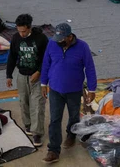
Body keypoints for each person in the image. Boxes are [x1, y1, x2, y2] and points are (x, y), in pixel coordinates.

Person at [41, 23, 96, 164]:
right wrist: (43, 83)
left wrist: (92, 89)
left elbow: (89, 68)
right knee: (54, 119)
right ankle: (53, 150)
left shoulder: (83, 47)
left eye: (61, 39)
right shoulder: (52, 44)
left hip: (74, 91)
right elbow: (46, 63)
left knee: (73, 116)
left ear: (70, 37)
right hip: (55, 90)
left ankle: (71, 134)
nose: (58, 42)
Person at [6, 13, 48, 147]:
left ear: (29, 28)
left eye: (24, 31)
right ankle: (28, 125)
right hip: (22, 75)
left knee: (37, 104)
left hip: (37, 77)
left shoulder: (41, 39)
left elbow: (47, 59)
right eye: (19, 31)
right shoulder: (16, 38)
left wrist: (39, 72)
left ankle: (37, 133)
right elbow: (12, 57)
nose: (21, 34)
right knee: (23, 102)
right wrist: (9, 75)